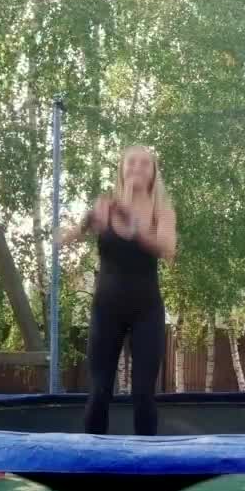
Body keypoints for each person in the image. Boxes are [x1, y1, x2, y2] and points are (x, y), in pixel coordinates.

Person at [58, 144, 177, 440]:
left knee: (143, 393)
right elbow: (66, 239)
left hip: (146, 311)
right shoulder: (106, 206)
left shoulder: (161, 210)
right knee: (99, 391)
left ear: (153, 174)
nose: (137, 168)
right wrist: (85, 222)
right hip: (106, 310)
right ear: (122, 170)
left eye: (144, 164)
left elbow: (168, 250)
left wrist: (133, 224)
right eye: (131, 162)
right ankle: (92, 460)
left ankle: (145, 463)